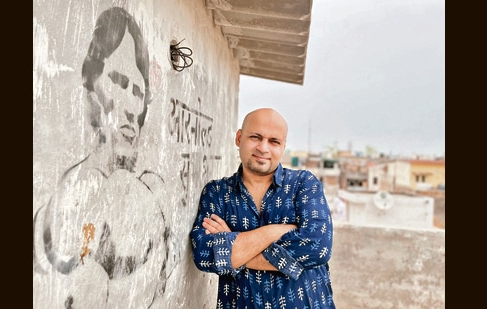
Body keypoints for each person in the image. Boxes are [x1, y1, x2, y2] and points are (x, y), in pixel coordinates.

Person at [33, 7, 168, 308]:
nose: (132, 107)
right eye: (119, 82)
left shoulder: (150, 196)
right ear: (91, 84)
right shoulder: (66, 193)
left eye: (138, 91)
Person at [189, 108, 336, 308]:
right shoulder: (217, 192)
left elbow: (318, 248)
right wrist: (274, 231)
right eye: (255, 137)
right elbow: (204, 254)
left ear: (283, 146)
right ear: (239, 138)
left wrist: (235, 250)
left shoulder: (303, 184)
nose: (263, 148)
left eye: (274, 141)